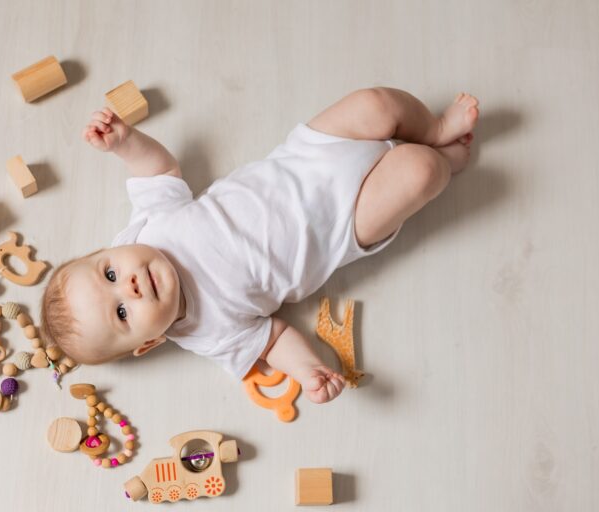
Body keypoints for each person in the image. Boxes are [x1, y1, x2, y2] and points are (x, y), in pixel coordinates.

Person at [40, 87, 479, 404]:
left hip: (306, 157)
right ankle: (442, 159)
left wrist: (125, 143)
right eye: (122, 312)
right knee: (420, 172)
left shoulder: (148, 227)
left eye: (110, 274)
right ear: (149, 343)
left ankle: (434, 127)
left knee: (377, 104)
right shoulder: (207, 333)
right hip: (344, 224)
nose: (130, 287)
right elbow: (273, 339)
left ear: (109, 251)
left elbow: (158, 170)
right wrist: (307, 369)